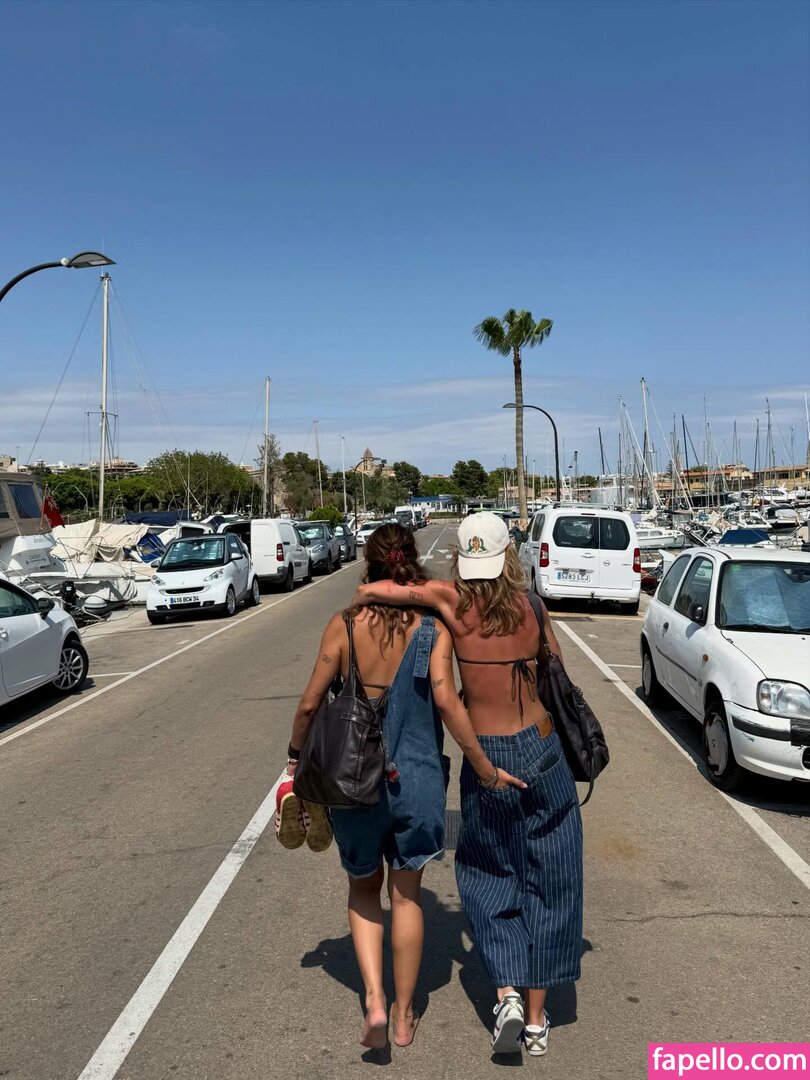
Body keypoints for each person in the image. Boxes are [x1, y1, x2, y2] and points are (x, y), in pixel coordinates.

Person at [350, 511, 583, 1058]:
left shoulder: (451, 603)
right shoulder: (533, 607)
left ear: (461, 558)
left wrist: (480, 764)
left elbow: (380, 590)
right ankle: (537, 1017)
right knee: (553, 878)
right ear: (509, 557)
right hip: (543, 747)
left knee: (488, 871)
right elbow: (557, 672)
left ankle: (506, 994)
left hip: (489, 750)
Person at [287, 523, 523, 1051]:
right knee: (408, 895)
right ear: (410, 562)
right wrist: (484, 766)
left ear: (369, 565)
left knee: (363, 888)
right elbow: (447, 701)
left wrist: (295, 757)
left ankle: (373, 998)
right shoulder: (432, 629)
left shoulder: (344, 626)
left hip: (353, 784)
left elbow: (309, 704)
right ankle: (402, 1014)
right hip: (417, 781)